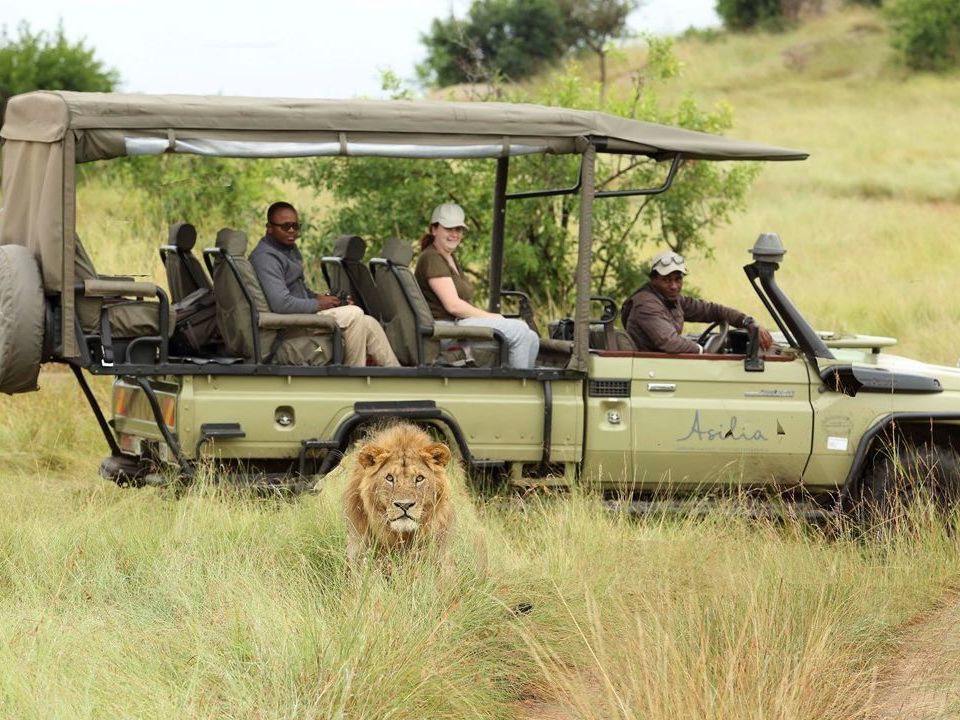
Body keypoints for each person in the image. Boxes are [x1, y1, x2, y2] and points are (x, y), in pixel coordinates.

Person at [249, 202, 400, 368]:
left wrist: (323, 298)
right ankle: (354, 377)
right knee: (355, 314)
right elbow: (281, 304)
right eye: (285, 227)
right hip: (289, 324)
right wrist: (319, 304)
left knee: (368, 323)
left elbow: (299, 291)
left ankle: (399, 378)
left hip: (301, 317)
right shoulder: (266, 258)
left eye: (295, 226)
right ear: (269, 227)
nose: (292, 231)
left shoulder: (288, 250)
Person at [414, 203, 539, 369]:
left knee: (531, 337)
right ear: (434, 229)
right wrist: (492, 317)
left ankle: (526, 383)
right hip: (446, 329)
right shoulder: (431, 258)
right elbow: (453, 306)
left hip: (459, 324)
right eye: (448, 228)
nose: (454, 234)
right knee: (520, 330)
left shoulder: (449, 257)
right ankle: (518, 387)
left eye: (458, 229)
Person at [621, 250, 774, 354]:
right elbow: (669, 342)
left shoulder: (673, 299)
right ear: (654, 280)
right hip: (651, 370)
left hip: (662, 367)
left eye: (678, 279)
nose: (674, 286)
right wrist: (702, 350)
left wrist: (748, 322)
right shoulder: (646, 304)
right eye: (666, 280)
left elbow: (712, 310)